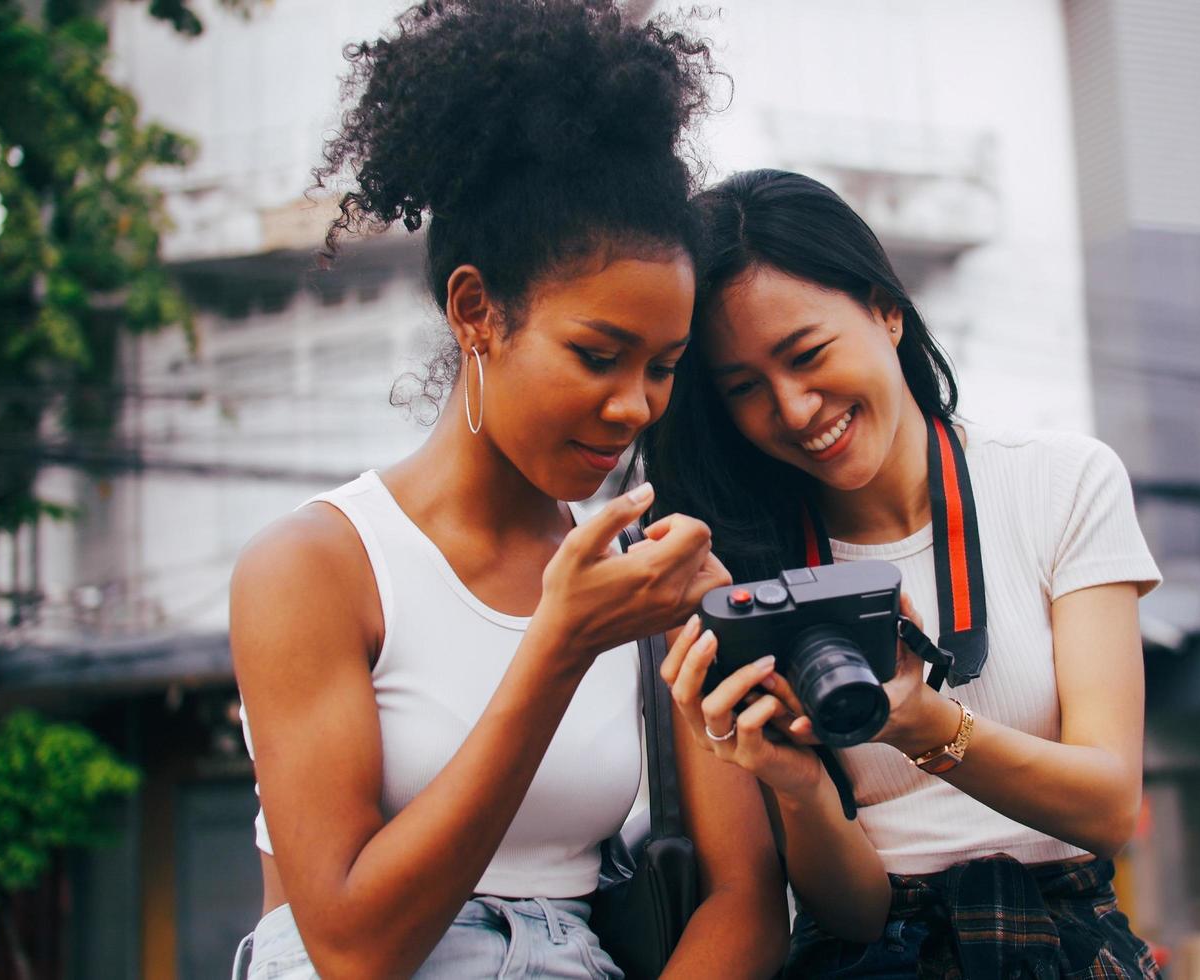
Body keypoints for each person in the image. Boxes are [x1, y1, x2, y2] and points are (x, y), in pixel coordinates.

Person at [228, 5, 788, 976]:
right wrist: (558, 646)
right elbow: (354, 945)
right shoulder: (317, 567)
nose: (632, 406)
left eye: (662, 365)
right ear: (476, 310)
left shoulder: (650, 582)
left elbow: (746, 896)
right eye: (597, 354)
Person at [641, 169, 1165, 978]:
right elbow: (853, 912)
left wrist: (922, 726)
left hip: (1068, 940)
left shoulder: (1062, 482)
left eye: (807, 354)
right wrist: (797, 786)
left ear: (887, 309)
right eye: (745, 388)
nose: (795, 409)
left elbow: (1109, 806)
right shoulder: (741, 576)